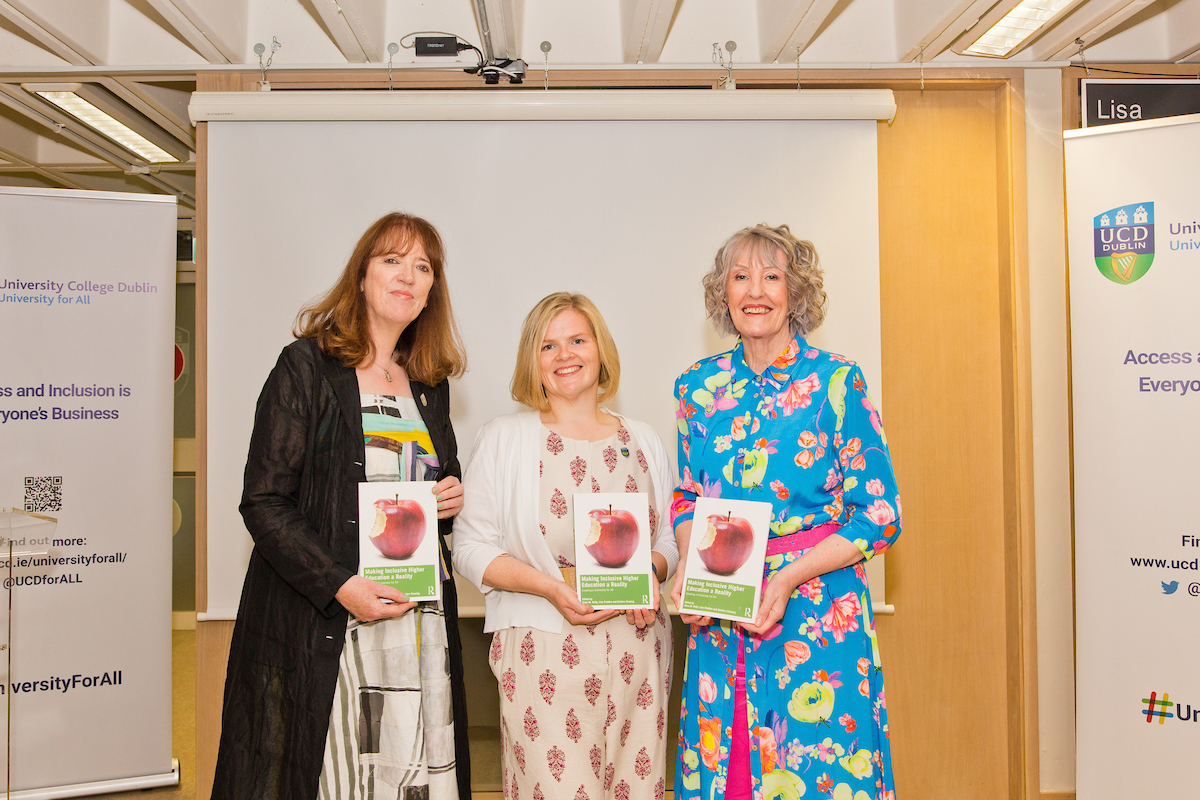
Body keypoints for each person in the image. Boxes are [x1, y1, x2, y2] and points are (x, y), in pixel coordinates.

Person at [212, 212, 472, 800]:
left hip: (414, 628)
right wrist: (339, 585)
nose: (407, 275)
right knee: (331, 775)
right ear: (361, 275)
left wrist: (450, 497)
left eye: (423, 267)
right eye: (392, 260)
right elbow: (264, 501)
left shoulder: (429, 383)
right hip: (327, 623)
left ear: (433, 291)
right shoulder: (305, 367)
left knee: (406, 777)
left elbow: (434, 486)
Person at [670, 224, 901, 800]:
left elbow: (879, 514)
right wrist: (684, 567)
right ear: (722, 293)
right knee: (730, 771)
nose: (756, 290)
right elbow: (687, 498)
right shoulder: (696, 388)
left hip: (819, 614)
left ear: (795, 293)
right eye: (741, 276)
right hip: (722, 616)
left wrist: (788, 576)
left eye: (772, 277)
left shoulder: (838, 381)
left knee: (821, 770)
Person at [453, 292, 678, 800]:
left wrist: (651, 572)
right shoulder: (504, 439)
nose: (565, 355)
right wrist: (550, 587)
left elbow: (668, 537)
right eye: (548, 346)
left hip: (637, 652)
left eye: (577, 340)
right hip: (542, 656)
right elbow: (467, 547)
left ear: (600, 350)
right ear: (532, 362)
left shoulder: (642, 440)